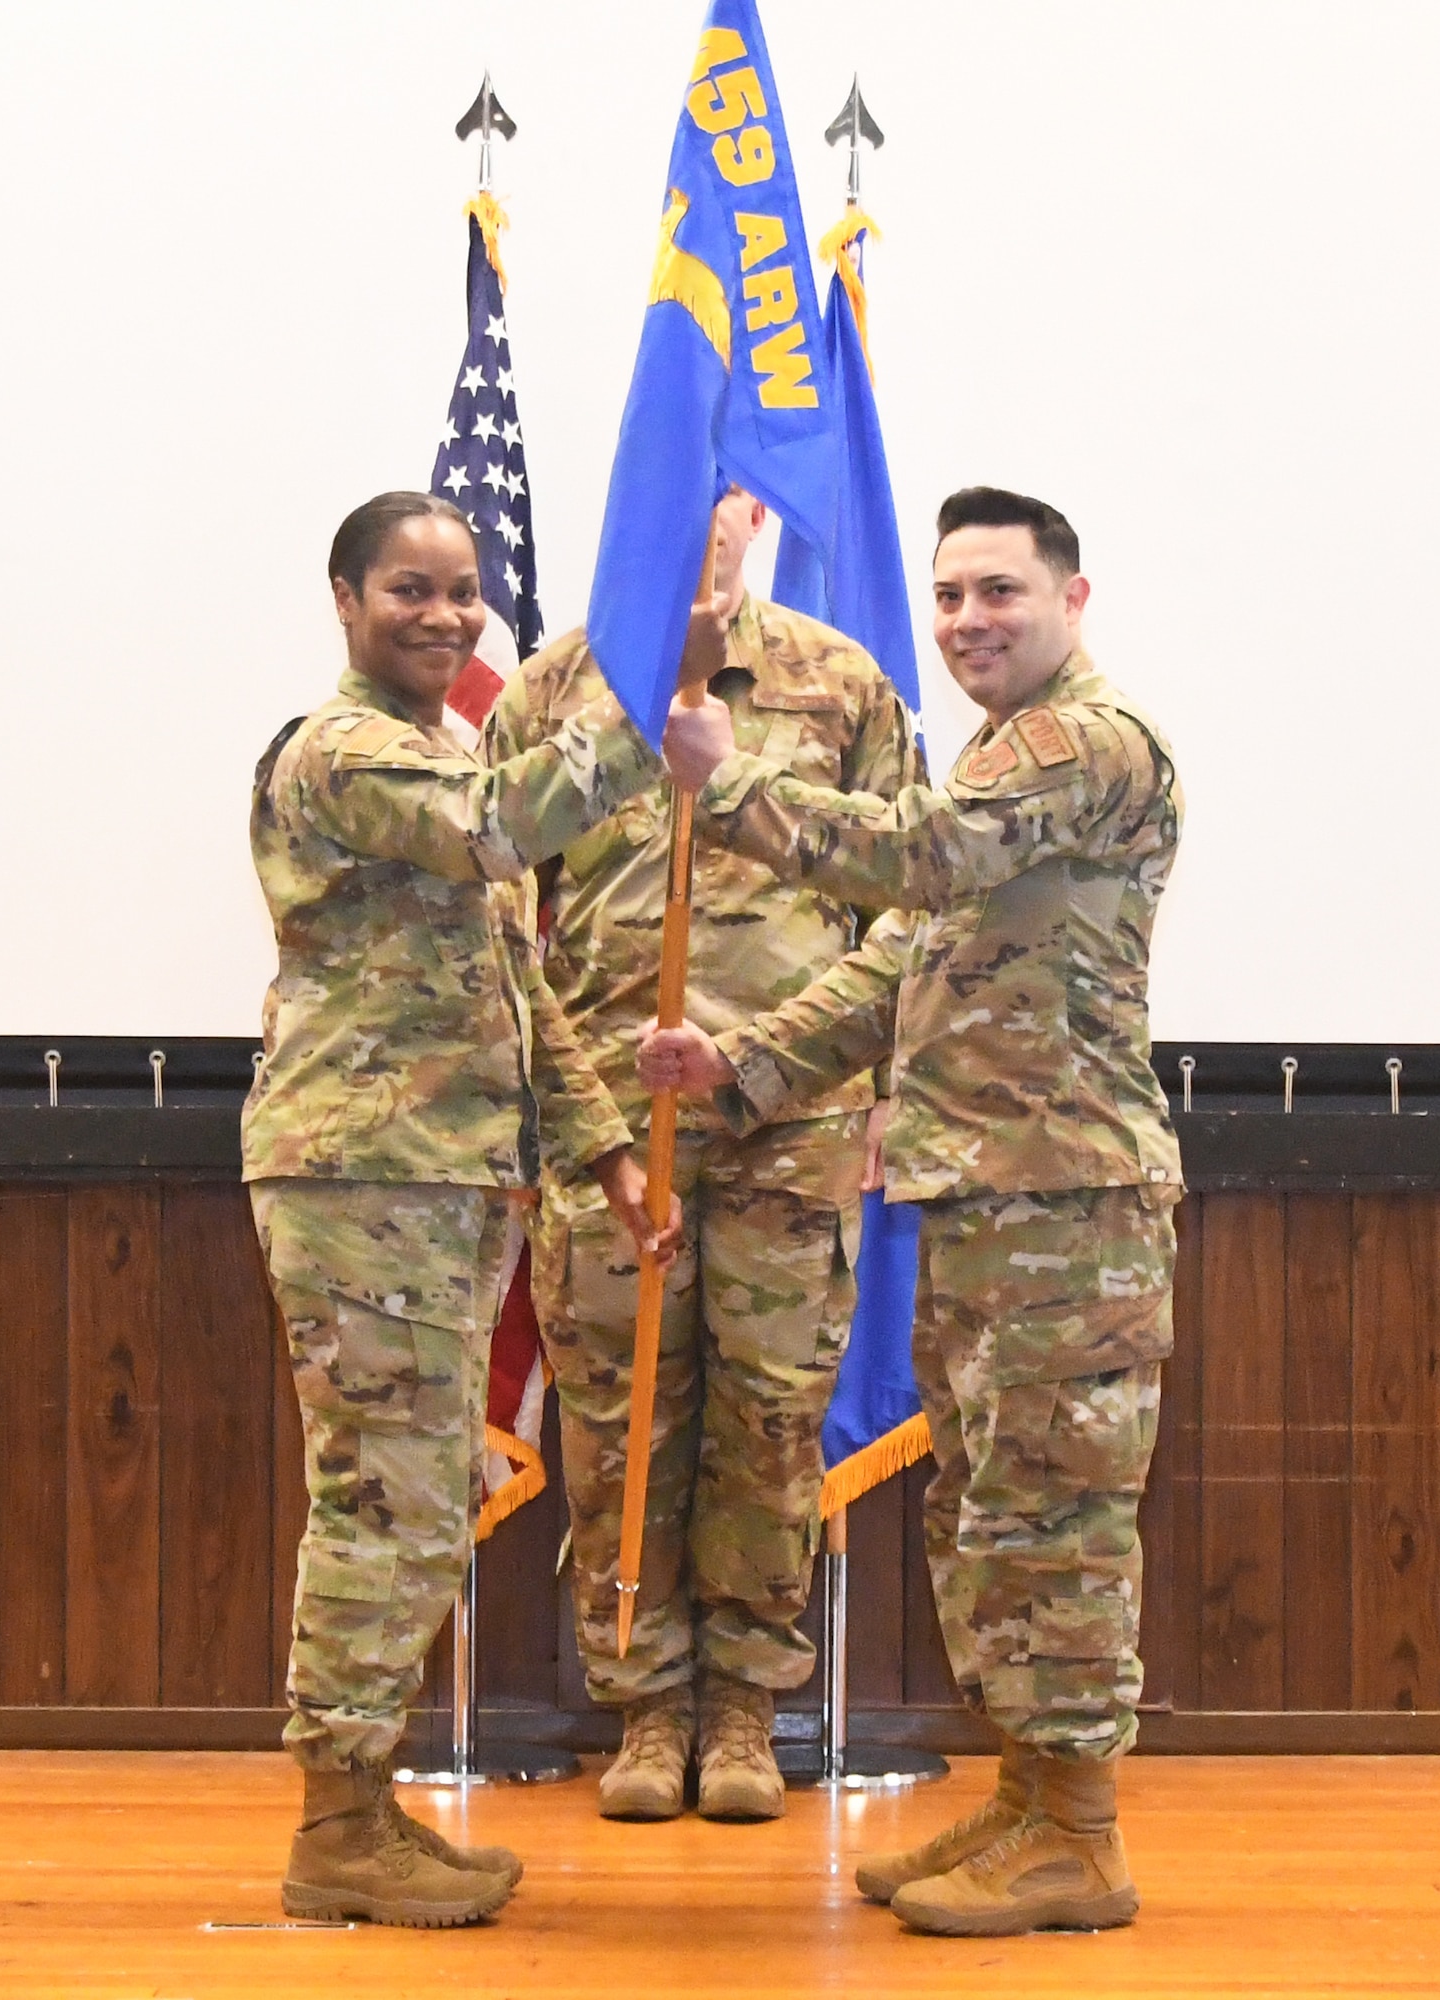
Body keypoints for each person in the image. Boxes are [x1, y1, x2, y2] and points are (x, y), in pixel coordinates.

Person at [643, 487, 1182, 1935]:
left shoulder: (1087, 743)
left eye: (999, 592)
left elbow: (917, 857)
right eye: (948, 596)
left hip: (1069, 1207)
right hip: (985, 1200)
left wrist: (730, 781)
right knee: (991, 1514)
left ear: (1073, 599)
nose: (965, 621)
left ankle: (1081, 1831)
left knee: (1055, 1520)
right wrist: (744, 1062)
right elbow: (900, 965)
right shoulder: (1005, 755)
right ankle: (1028, 1798)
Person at [243, 490, 683, 1928]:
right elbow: (506, 824)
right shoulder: (348, 752)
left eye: (463, 590)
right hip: (364, 1181)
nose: (444, 616)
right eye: (408, 590)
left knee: (419, 1503)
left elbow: (524, 991)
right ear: (344, 599)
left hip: (441, 1183)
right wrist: (635, 708)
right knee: (384, 1500)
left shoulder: (442, 742)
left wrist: (610, 1148)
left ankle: (363, 1805)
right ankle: (333, 1824)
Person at [482, 486, 922, 1823]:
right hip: (611, 1141)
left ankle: (744, 1707)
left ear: (754, 521)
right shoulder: (557, 688)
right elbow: (503, 926)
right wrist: (586, 1122)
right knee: (623, 1431)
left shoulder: (839, 685)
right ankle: (645, 1707)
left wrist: (795, 1062)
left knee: (771, 1425)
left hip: (792, 1127)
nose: (699, 527)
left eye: (724, 502)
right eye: (678, 495)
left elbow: (910, 907)